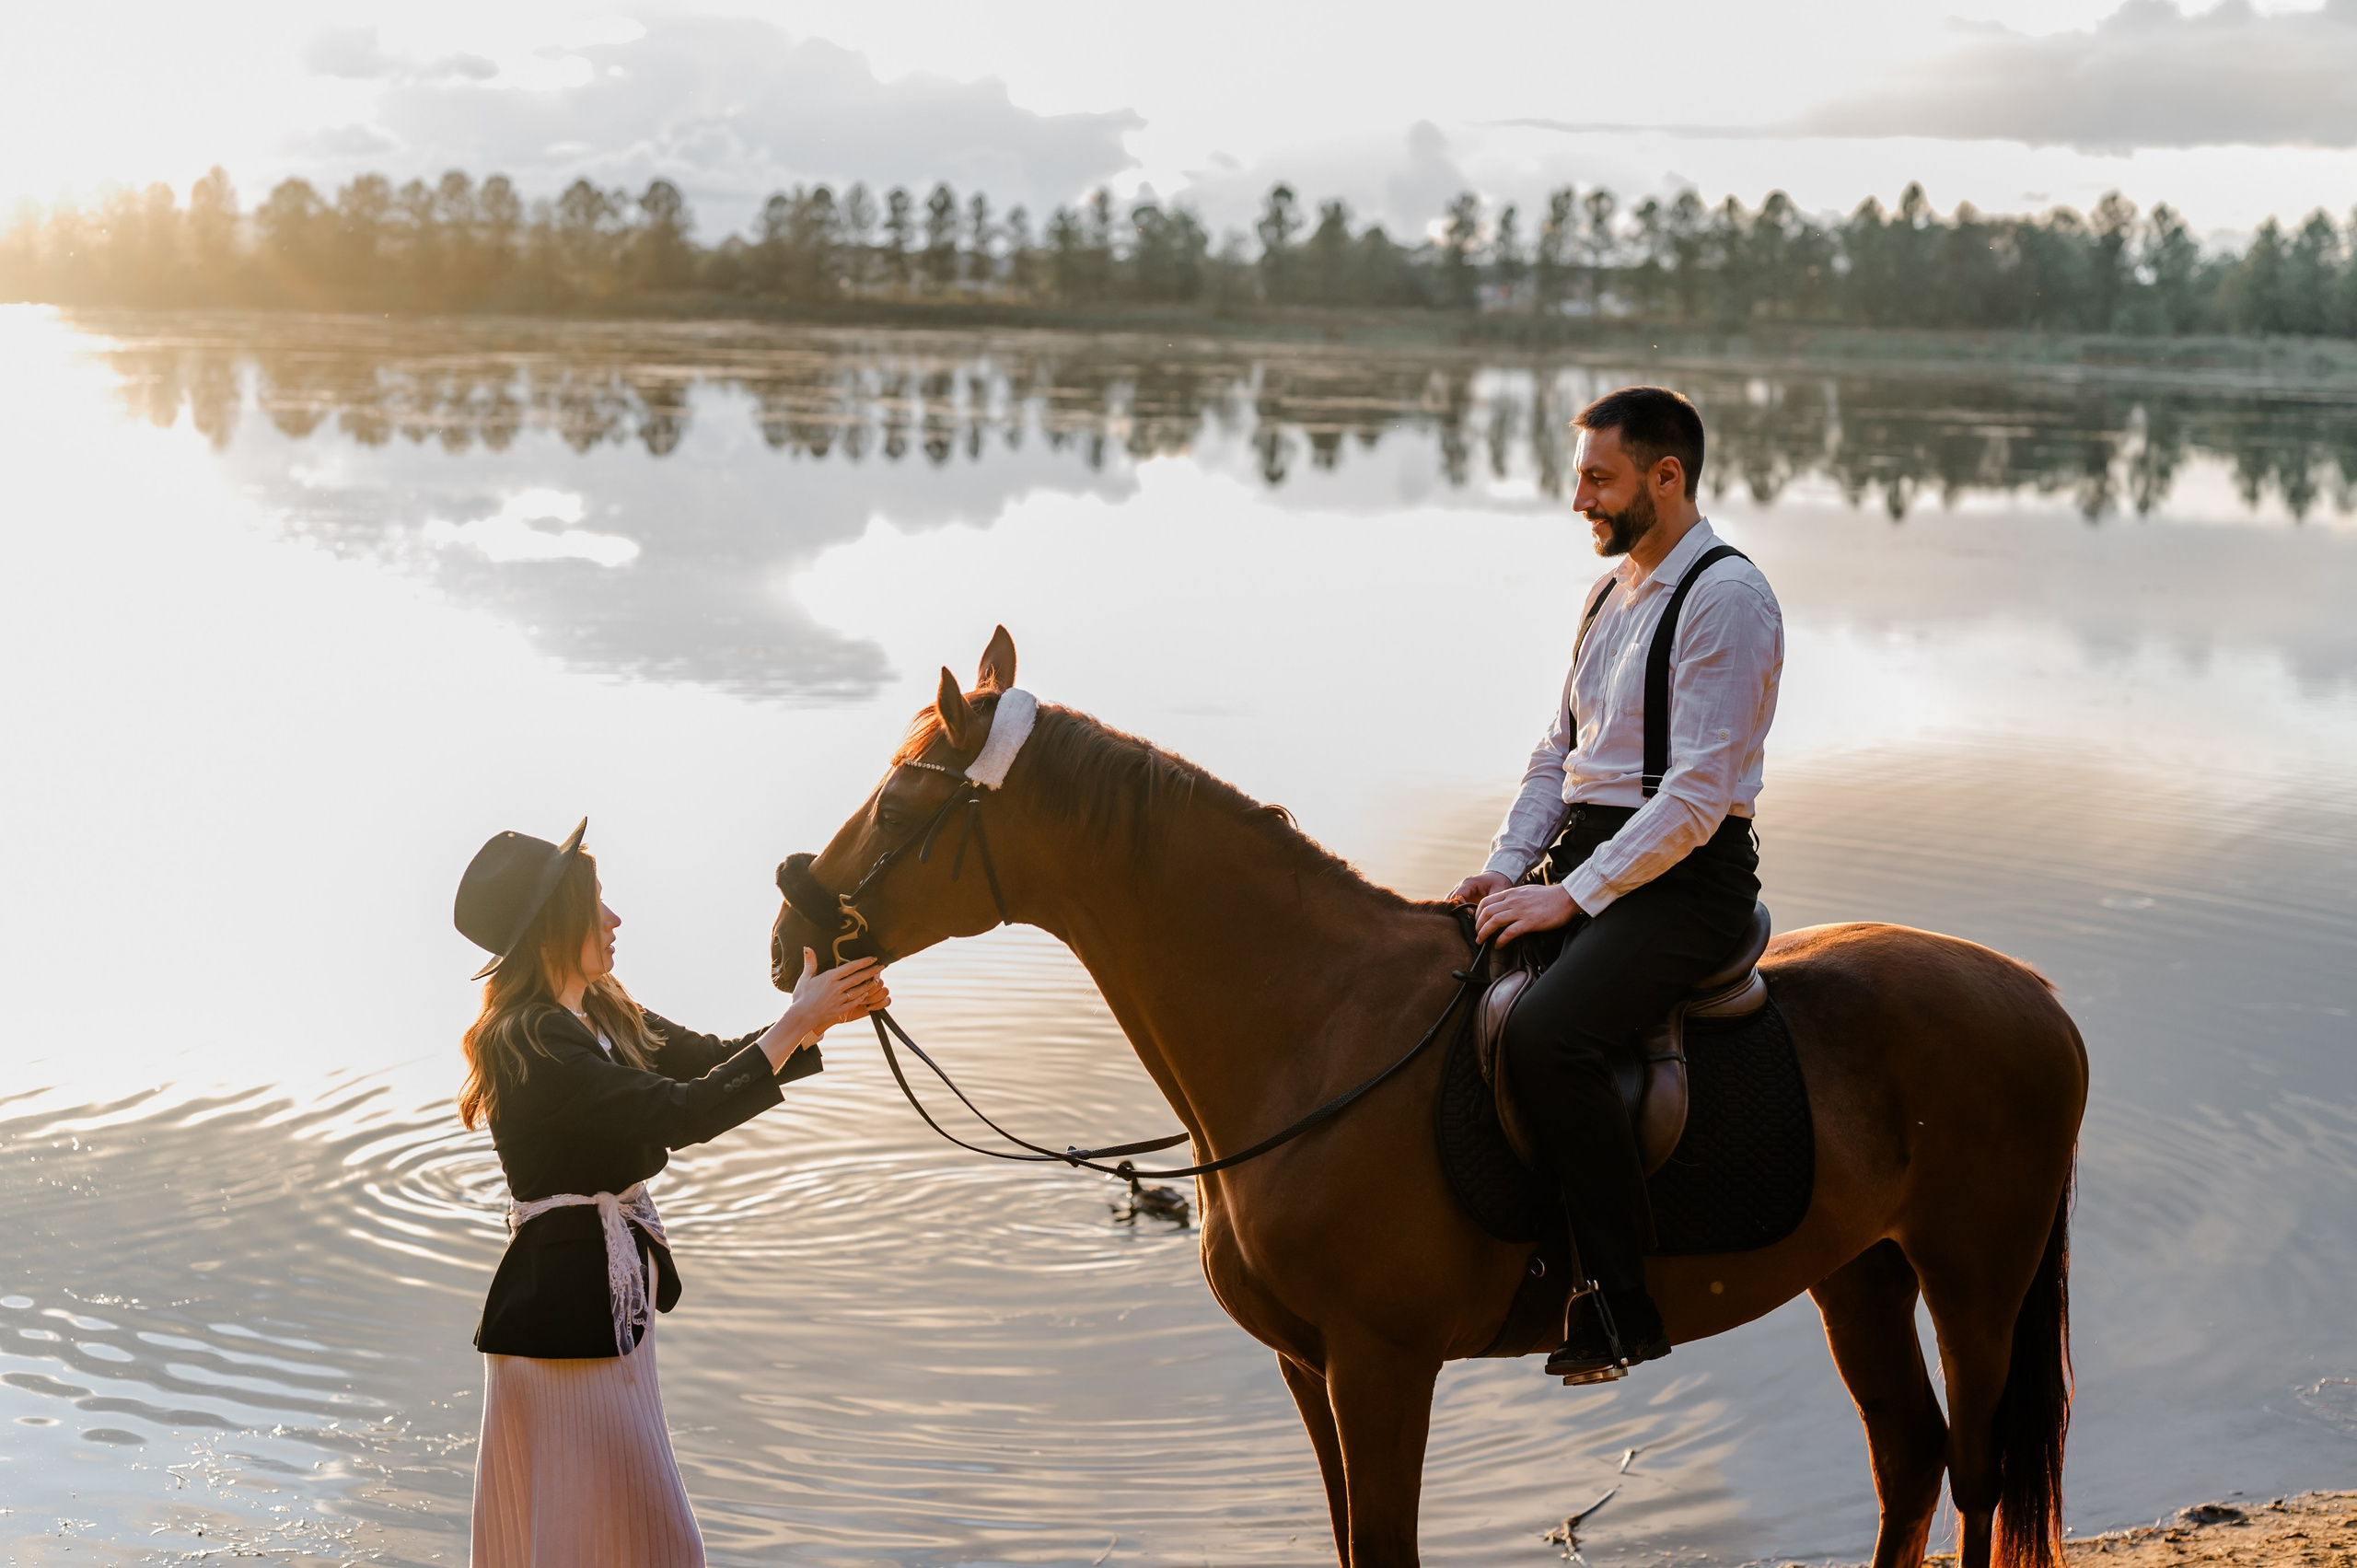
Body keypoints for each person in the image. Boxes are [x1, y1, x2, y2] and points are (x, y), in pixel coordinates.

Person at [1448, 386, 1783, 1385]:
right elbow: (1560, 755)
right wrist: (1507, 869)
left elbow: (1695, 794)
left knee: (1552, 1034)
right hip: (1589, 857)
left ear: (1665, 476)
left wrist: (1571, 896)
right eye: (1580, 474)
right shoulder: (1606, 592)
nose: (1578, 498)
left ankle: (1616, 1301)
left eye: (1599, 477)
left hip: (1687, 880)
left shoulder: (1726, 596)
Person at [452, 819, 888, 1567]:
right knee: (652, 1544)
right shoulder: (529, 1039)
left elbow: (708, 1065)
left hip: (604, 1316)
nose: (615, 918)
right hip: (562, 1334)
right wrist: (795, 1023)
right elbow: (681, 1114)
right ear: (557, 923)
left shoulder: (602, 1009)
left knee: (619, 1542)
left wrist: (818, 1016)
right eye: (597, 903)